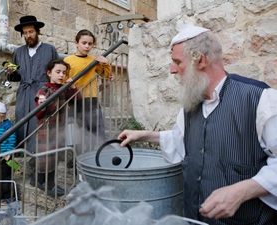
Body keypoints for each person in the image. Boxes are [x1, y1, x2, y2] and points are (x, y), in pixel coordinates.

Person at [118, 25, 277, 224]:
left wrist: (244, 190)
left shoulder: (260, 98)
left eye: (177, 62)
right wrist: (144, 135)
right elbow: (181, 140)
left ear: (200, 60)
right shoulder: (191, 104)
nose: (172, 70)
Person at [7, 15, 59, 153]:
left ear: (38, 31)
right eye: (25, 33)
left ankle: (40, 154)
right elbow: (16, 77)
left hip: (43, 92)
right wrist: (11, 72)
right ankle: (22, 152)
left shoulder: (50, 49)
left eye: (31, 32)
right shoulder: (19, 52)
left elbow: (57, 71)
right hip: (24, 94)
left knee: (40, 123)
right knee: (22, 121)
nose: (28, 35)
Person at [31, 58, 81, 196]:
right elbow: (38, 114)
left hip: (59, 129)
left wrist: (72, 87)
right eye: (58, 72)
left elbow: (78, 99)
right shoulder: (45, 90)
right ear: (49, 73)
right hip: (45, 129)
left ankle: (41, 181)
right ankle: (46, 184)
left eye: (64, 73)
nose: (61, 75)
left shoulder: (63, 88)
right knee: (46, 158)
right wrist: (42, 104)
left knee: (54, 157)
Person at [64, 29, 111, 153]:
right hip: (75, 100)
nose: (87, 46)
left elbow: (105, 75)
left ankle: (90, 155)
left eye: (90, 44)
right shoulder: (68, 61)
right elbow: (63, 80)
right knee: (77, 131)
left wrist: (106, 64)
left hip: (92, 100)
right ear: (76, 43)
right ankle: (77, 158)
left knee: (94, 130)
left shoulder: (93, 60)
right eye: (84, 43)